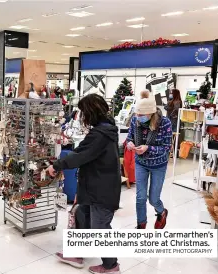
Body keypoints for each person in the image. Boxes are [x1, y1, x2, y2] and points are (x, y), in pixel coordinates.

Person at [48, 94, 121, 274]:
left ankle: (111, 265)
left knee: (100, 228)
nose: (82, 117)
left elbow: (81, 155)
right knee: (82, 216)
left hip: (102, 189)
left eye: (84, 113)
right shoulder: (103, 129)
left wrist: (57, 166)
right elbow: (83, 151)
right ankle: (77, 253)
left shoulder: (101, 134)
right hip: (93, 184)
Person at [126, 90, 172, 229]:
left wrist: (148, 148)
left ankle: (161, 212)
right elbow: (130, 137)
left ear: (151, 113)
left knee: (153, 199)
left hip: (159, 165)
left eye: (141, 114)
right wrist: (129, 143)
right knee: (140, 198)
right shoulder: (135, 120)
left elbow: (166, 148)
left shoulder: (164, 123)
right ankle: (141, 225)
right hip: (141, 163)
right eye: (137, 114)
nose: (138, 117)